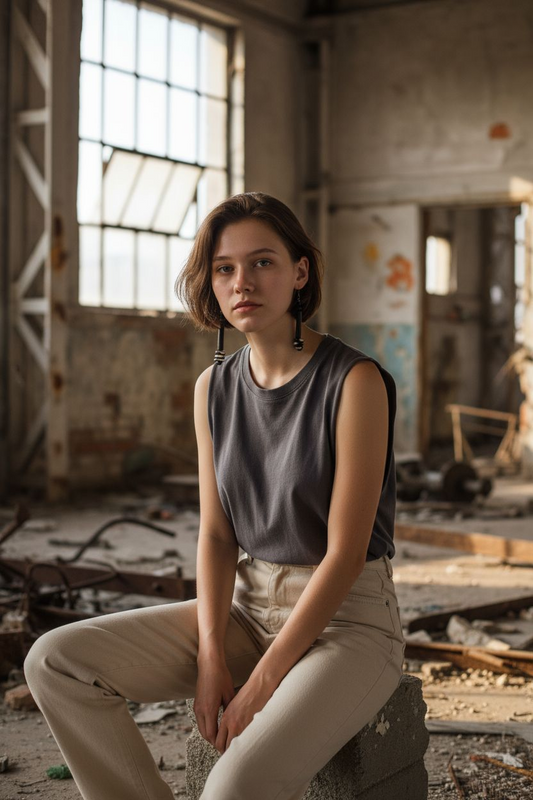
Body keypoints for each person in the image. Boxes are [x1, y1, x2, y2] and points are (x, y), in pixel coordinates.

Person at [23, 191, 405, 800]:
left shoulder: (353, 381)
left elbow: (346, 554)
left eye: (263, 262)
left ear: (300, 272)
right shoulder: (213, 388)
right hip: (248, 611)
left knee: (235, 785)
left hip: (348, 624)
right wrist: (210, 660)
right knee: (56, 661)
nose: (241, 282)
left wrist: (259, 686)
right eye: (224, 268)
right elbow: (218, 535)